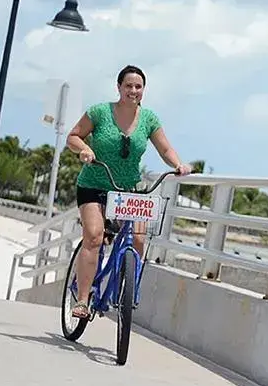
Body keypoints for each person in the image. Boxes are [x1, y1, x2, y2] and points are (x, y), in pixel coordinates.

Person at [64, 64, 192, 319]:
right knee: (94, 236)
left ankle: (126, 289)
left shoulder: (149, 119)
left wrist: (178, 164)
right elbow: (73, 136)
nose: (133, 91)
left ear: (143, 90)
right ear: (119, 87)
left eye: (138, 86)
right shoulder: (100, 112)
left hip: (128, 188)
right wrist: (84, 150)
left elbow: (165, 149)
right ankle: (82, 299)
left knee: (139, 238)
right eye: (128, 86)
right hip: (94, 184)